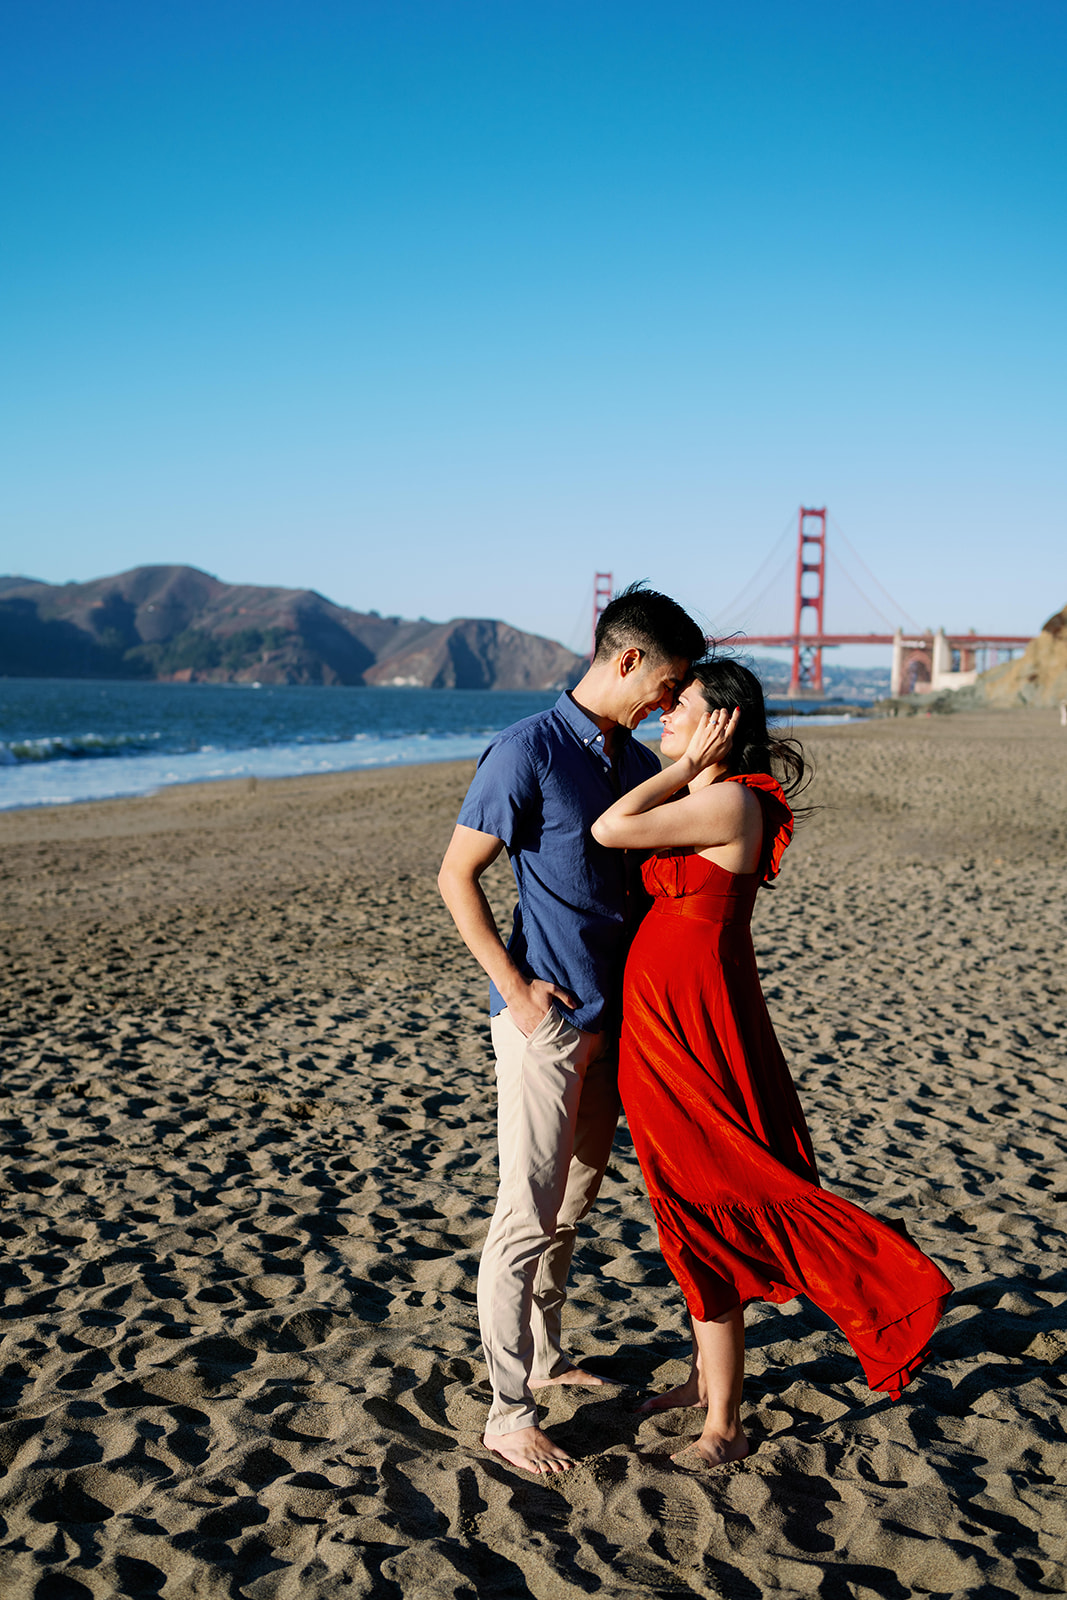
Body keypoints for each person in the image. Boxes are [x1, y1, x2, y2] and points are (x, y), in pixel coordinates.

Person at [592, 658, 953, 1466]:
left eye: (676, 708)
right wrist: (681, 767)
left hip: (693, 1027)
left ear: (719, 720)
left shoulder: (723, 798)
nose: (661, 718)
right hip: (667, 1022)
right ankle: (704, 1381)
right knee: (684, 1201)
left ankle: (725, 1425)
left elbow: (610, 829)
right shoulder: (707, 795)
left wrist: (683, 767)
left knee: (714, 1195)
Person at [438, 584, 707, 1475]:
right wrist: (513, 989)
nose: (670, 702)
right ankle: (507, 1411)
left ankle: (547, 1360)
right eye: (668, 684)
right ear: (626, 660)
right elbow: (455, 878)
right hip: (545, 1023)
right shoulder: (526, 750)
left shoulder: (631, 760)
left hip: (621, 1024)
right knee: (524, 1214)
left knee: (572, 1205)